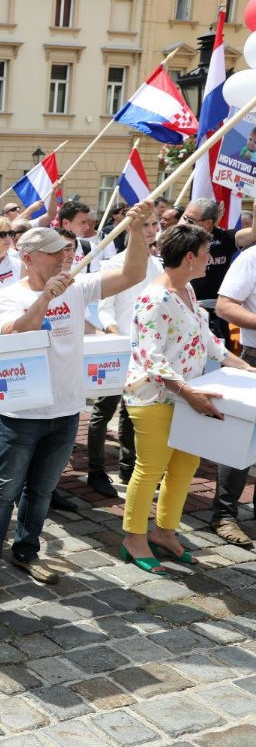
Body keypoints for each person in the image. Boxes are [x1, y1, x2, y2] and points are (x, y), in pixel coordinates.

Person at [0, 207, 150, 600]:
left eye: (65, 250)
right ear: (29, 257)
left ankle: (27, 551)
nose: (65, 257)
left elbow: (132, 274)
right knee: (3, 491)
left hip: (67, 410)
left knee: (42, 491)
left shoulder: (78, 285)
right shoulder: (10, 295)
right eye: (54, 252)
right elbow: (15, 333)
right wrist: (44, 300)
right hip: (22, 414)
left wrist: (136, 230)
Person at [119, 224, 252, 573]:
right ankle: (134, 537)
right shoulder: (154, 297)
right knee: (150, 470)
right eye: (207, 254)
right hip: (155, 398)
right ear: (190, 257)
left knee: (184, 468)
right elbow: (151, 358)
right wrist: (188, 394)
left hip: (189, 395)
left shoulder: (187, 291)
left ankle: (165, 532)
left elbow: (207, 341)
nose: (211, 260)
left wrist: (243, 368)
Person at [87, 208, 162, 495]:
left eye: (155, 223)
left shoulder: (159, 265)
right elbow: (104, 311)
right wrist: (117, 338)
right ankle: (96, 471)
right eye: (146, 224)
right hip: (119, 350)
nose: (153, 229)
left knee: (132, 414)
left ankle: (129, 469)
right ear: (131, 229)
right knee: (103, 411)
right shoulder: (114, 265)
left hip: (146, 353)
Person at [208, 228, 256, 546]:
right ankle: (224, 513)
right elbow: (224, 306)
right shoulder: (252, 258)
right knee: (244, 436)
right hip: (254, 357)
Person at [183, 197, 256, 340]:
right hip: (184, 311)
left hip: (215, 315)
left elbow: (253, 234)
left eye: (190, 221)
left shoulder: (225, 237)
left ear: (208, 223)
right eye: (184, 218)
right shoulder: (179, 239)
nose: (185, 223)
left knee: (218, 358)